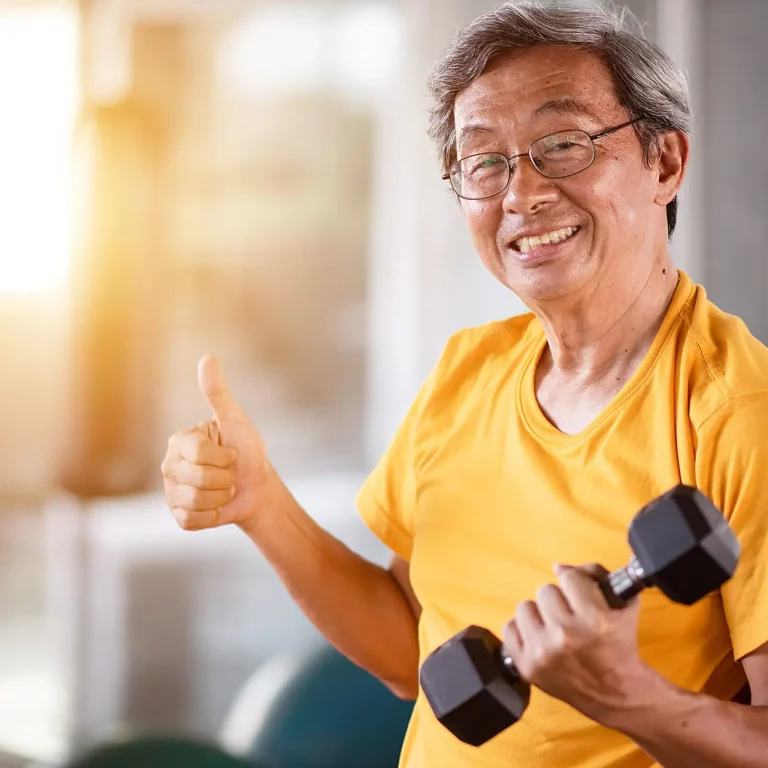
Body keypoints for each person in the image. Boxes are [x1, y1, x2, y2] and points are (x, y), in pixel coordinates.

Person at [161, 2, 768, 767]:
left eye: (563, 144)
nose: (521, 193)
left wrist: (628, 696)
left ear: (666, 163)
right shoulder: (467, 371)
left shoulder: (739, 413)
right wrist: (260, 503)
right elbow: (408, 649)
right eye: (485, 161)